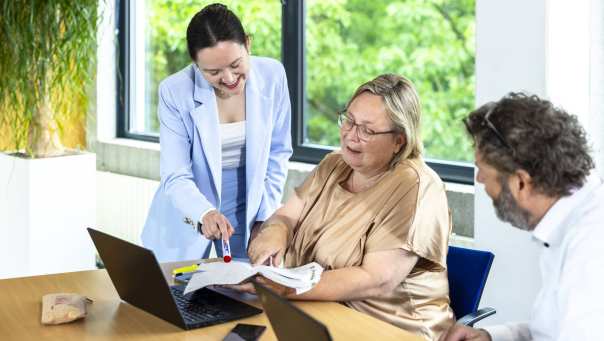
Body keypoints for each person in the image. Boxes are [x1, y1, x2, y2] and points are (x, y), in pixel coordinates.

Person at [232, 74, 455, 340]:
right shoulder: (334, 164)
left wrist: (286, 288)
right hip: (313, 316)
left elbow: (378, 279)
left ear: (400, 140)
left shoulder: (417, 186)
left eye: (368, 130)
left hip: (389, 329)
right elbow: (286, 215)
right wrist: (273, 234)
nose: (351, 135)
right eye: (348, 120)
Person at [441, 93, 604, 341]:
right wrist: (490, 337)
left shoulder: (592, 245)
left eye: (483, 171)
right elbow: (551, 330)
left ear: (520, 182)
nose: (479, 180)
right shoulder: (572, 217)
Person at [141, 3, 292, 262]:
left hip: (250, 201)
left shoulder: (273, 75)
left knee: (246, 291)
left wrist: (264, 216)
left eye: (235, 64)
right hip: (192, 204)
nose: (229, 78)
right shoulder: (174, 91)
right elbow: (176, 174)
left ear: (248, 44)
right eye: (213, 72)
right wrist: (204, 213)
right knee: (177, 292)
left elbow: (278, 153)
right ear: (196, 64)